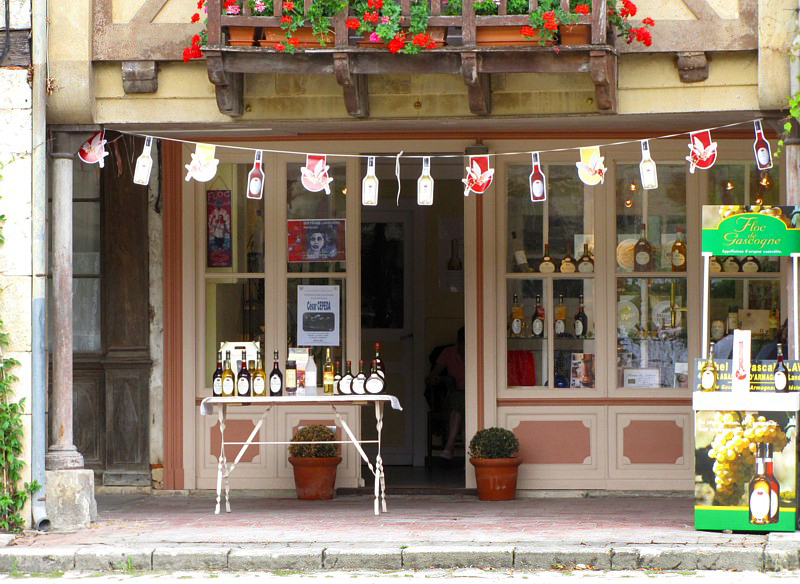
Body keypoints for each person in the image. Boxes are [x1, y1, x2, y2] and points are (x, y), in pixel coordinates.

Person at [425, 327, 465, 460]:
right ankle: (467, 455)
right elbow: (431, 377)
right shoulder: (449, 352)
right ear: (458, 343)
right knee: (459, 400)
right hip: (454, 395)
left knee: (464, 404)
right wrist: (438, 379)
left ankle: (449, 446)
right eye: (462, 345)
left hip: (476, 396)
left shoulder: (478, 350)